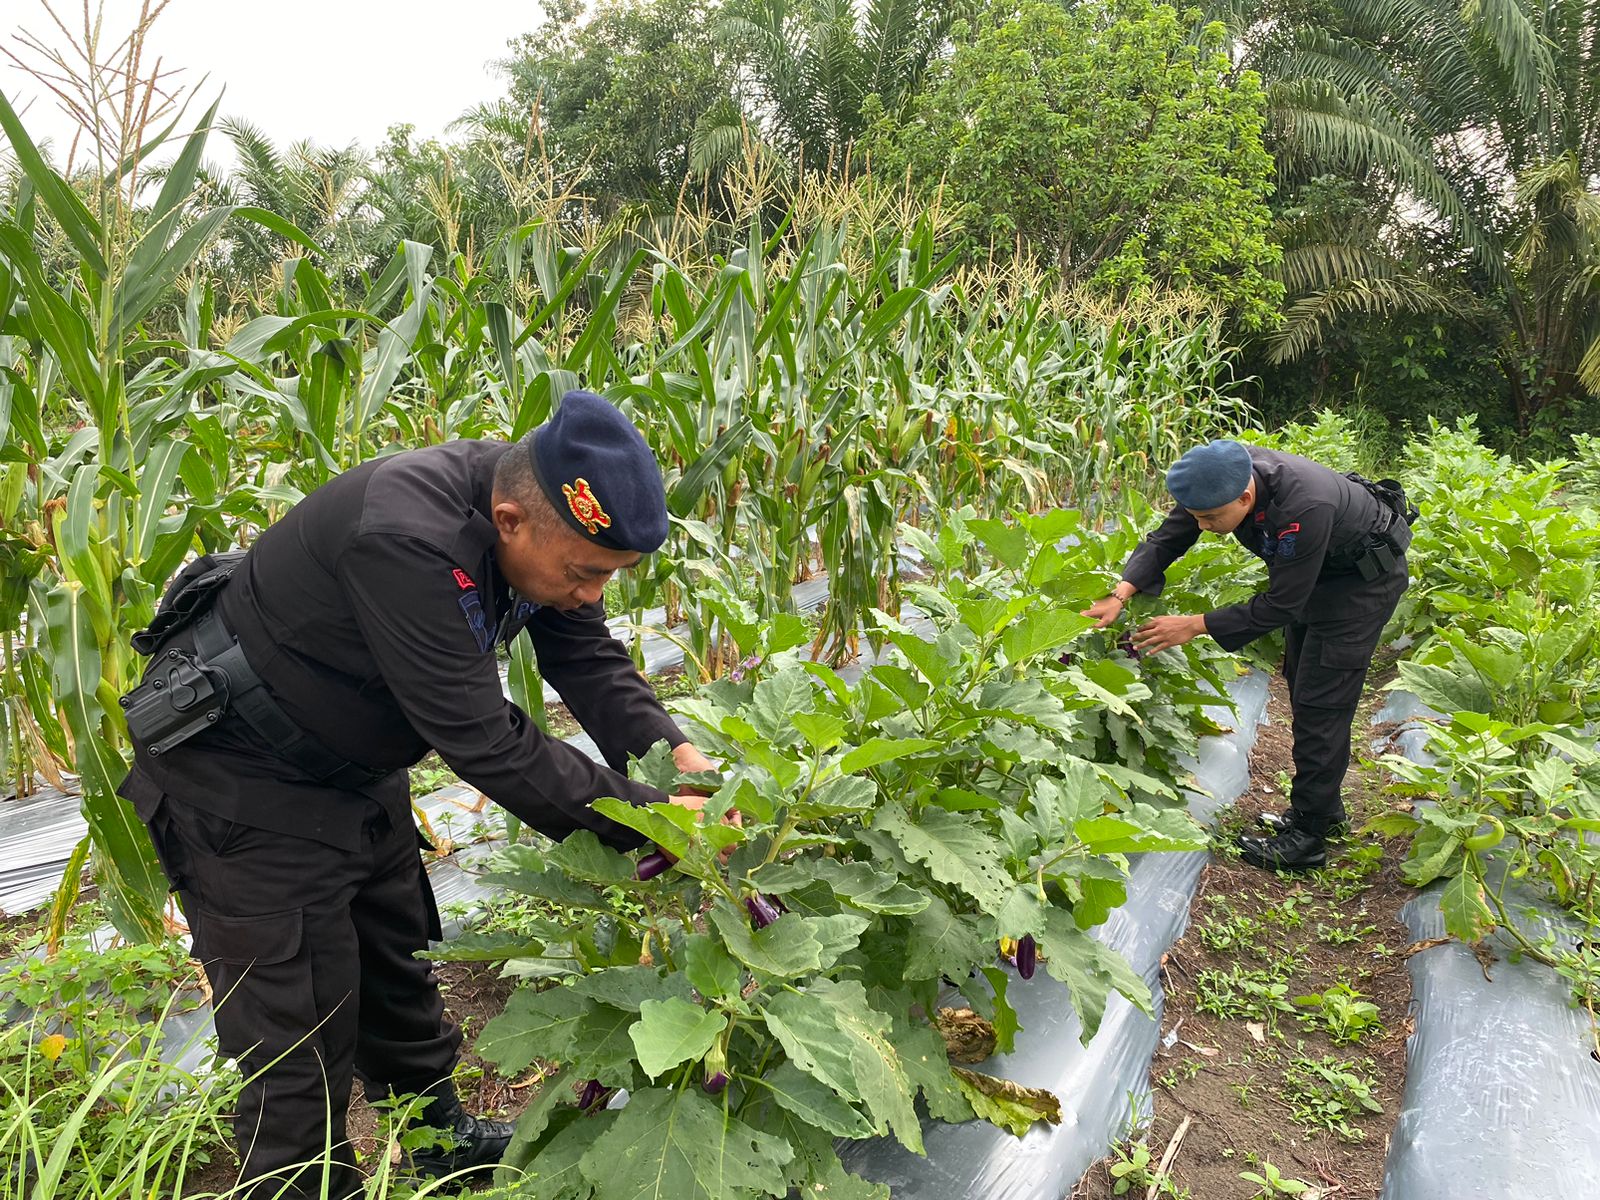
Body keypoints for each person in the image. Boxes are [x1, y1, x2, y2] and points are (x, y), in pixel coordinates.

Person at [118, 391, 724, 1198]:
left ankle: (441, 1148)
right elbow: (486, 742)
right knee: (296, 1041)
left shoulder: (535, 517)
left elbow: (588, 659)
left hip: (353, 766)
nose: (590, 593)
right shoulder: (405, 537)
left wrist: (679, 759)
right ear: (510, 521)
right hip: (244, 784)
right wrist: (655, 824)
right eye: (585, 574)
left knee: (399, 972)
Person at [1083, 439, 1411, 872]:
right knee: (1303, 683)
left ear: (1244, 497)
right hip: (1317, 577)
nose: (1202, 526)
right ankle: (1324, 812)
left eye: (1212, 519)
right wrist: (1120, 593)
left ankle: (1308, 840)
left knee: (1322, 703)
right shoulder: (1218, 477)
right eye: (1198, 516)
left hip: (1358, 588)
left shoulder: (1303, 507)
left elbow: (1282, 604)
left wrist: (1195, 624)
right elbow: (1169, 537)